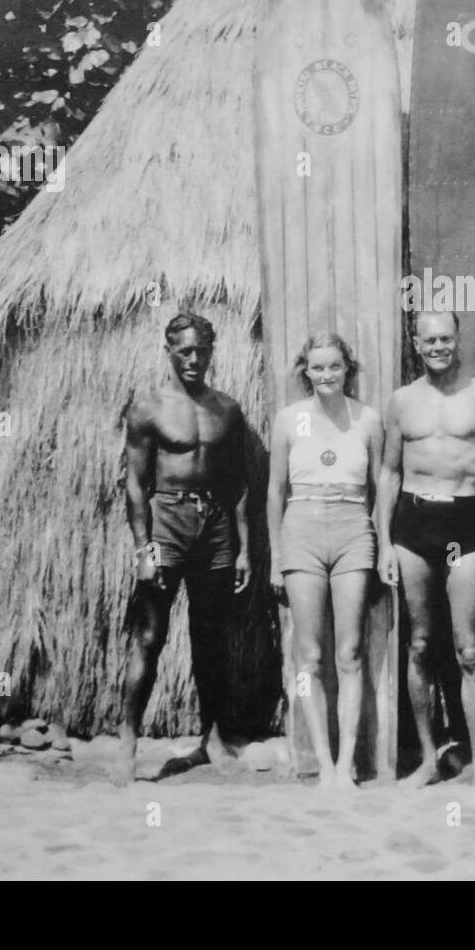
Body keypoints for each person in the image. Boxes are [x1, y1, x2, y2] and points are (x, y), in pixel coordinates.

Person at [378, 311, 475, 787]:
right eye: (429, 339)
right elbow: (390, 472)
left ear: (459, 340)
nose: (438, 346)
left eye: (446, 338)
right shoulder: (401, 401)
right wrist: (384, 542)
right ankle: (431, 761)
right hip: (414, 525)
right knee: (418, 645)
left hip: (465, 524)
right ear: (416, 343)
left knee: (469, 649)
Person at [118, 311, 251, 785]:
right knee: (150, 637)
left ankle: (210, 737)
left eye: (202, 350)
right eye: (185, 351)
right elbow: (135, 483)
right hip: (167, 523)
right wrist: (143, 548)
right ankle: (128, 743)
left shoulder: (228, 410)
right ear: (169, 351)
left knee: (210, 638)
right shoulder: (148, 407)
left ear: (213, 351)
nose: (194, 359)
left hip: (214, 527)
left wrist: (243, 549)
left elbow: (237, 484)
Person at [267, 331, 387, 788]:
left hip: (353, 528)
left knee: (350, 653)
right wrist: (278, 555)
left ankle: (347, 765)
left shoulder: (366, 419)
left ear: (347, 368)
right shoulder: (290, 420)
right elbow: (276, 491)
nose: (326, 375)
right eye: (317, 367)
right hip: (302, 529)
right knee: (310, 657)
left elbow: (381, 488)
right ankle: (321, 759)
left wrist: (382, 544)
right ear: (305, 371)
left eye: (334, 366)